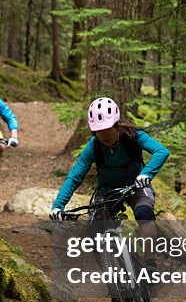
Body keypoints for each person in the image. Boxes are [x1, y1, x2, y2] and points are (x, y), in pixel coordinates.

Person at [50, 97, 172, 265]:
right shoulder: (93, 147)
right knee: (93, 234)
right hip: (107, 191)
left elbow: (161, 151)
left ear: (116, 125)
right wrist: (58, 205)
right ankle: (111, 279)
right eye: (99, 131)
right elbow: (74, 176)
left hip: (136, 186)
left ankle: (150, 263)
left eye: (108, 129)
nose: (105, 135)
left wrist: (146, 174)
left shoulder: (133, 136)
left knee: (144, 213)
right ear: (94, 132)